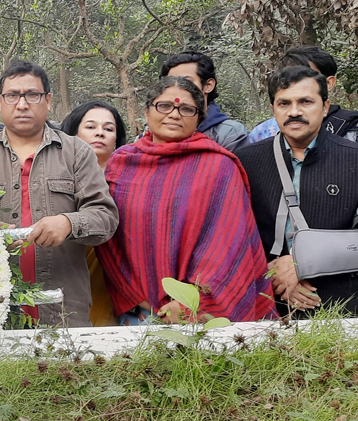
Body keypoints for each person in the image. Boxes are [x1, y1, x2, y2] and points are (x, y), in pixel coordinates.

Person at [97, 76, 276, 324]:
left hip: (200, 314)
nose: (174, 114)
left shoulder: (218, 166)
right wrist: (140, 297)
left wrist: (190, 301)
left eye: (186, 109)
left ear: (198, 119)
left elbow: (227, 243)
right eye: (164, 106)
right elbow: (109, 237)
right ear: (146, 112)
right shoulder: (121, 163)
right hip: (138, 309)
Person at [0, 60, 118, 327]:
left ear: (48, 100)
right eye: (12, 96)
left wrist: (68, 223)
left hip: (63, 311)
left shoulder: (76, 153)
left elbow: (106, 218)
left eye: (32, 95)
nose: (22, 104)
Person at [237, 66, 358, 316]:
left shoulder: (353, 159)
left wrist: (303, 262)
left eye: (305, 102)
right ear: (273, 109)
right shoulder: (245, 161)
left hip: (340, 307)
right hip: (266, 304)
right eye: (284, 103)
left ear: (325, 107)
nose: (294, 112)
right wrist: (273, 274)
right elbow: (234, 234)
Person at [59, 101, 127, 327]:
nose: (100, 132)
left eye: (108, 129)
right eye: (90, 127)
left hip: (118, 280)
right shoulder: (57, 176)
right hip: (70, 274)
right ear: (73, 133)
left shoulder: (130, 180)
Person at [248, 46, 358, 143]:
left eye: (307, 75)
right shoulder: (262, 133)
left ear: (329, 83)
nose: (296, 82)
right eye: (288, 76)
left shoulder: (351, 128)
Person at [159, 51, 248, 152]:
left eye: (186, 81)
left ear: (208, 85)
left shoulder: (229, 133)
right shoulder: (157, 128)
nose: (177, 87)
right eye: (170, 82)